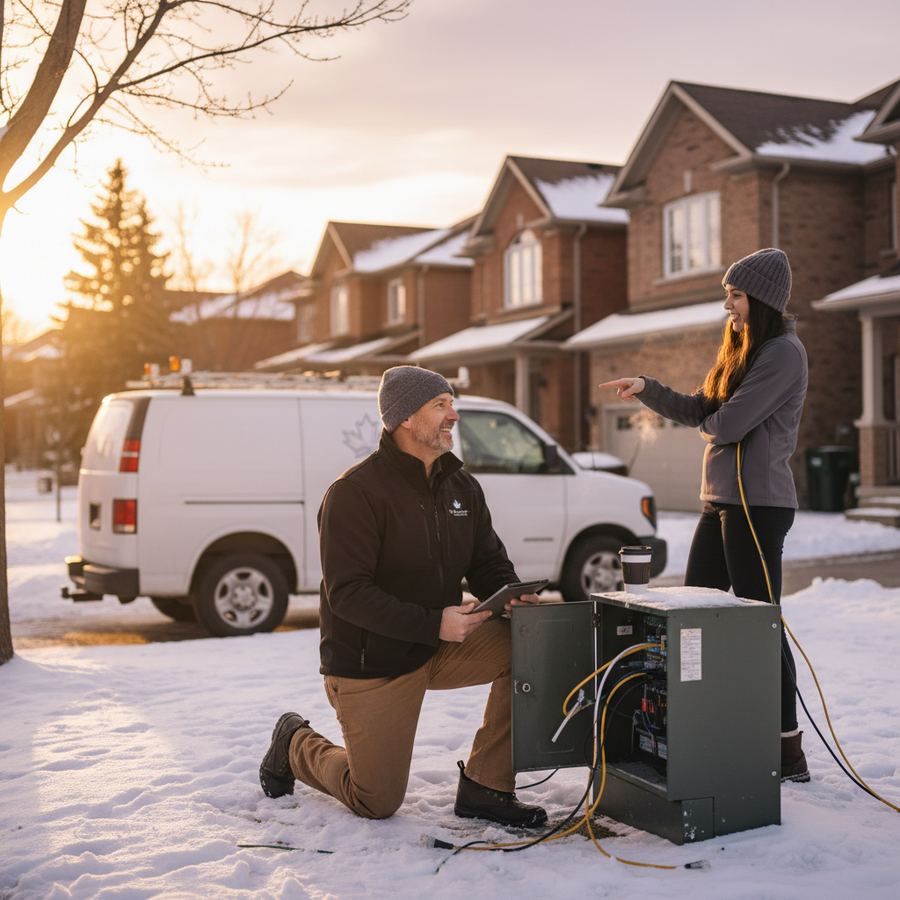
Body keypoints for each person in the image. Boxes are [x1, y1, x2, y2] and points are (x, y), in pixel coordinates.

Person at [258, 365, 548, 826]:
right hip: (373, 660)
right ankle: (294, 742)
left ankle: (486, 787)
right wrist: (434, 622)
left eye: (452, 403)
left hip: (439, 645)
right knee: (376, 800)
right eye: (440, 405)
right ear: (405, 419)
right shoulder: (355, 493)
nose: (453, 414)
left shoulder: (461, 487)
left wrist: (507, 596)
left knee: (532, 645)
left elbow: (487, 562)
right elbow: (348, 594)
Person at [600, 247, 810, 783]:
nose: (729, 307)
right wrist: (648, 389)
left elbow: (727, 424)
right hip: (719, 502)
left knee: (759, 626)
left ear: (760, 298)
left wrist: (712, 418)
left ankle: (788, 750)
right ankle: (709, 730)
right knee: (695, 618)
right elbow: (702, 408)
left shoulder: (784, 353)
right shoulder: (743, 352)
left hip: (758, 505)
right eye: (727, 296)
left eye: (735, 296)